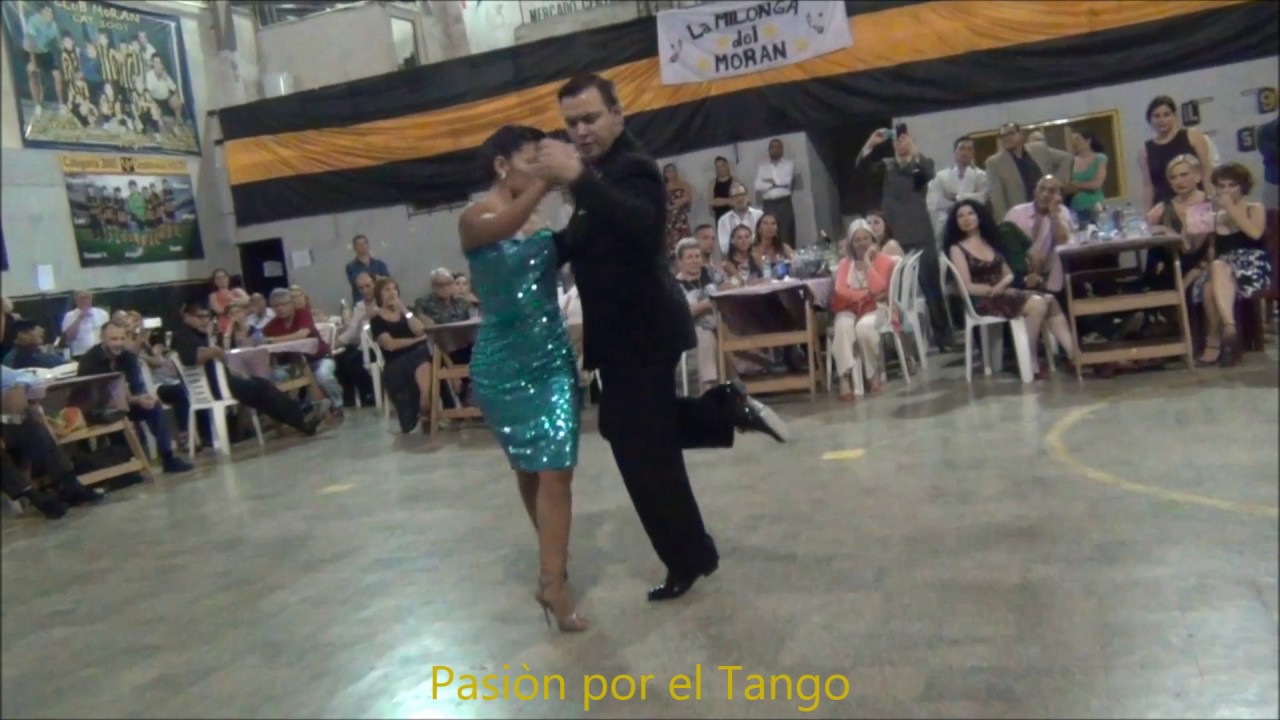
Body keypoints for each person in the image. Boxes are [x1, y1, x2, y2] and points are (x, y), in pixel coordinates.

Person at [539, 73, 788, 604]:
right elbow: (581, 239)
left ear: (618, 114)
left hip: (642, 330)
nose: (579, 131)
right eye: (571, 123)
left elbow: (639, 225)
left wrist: (577, 178)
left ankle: (689, 557)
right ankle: (725, 410)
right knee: (631, 433)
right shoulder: (601, 173)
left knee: (645, 454)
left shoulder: (632, 169)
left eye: (589, 118)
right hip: (624, 332)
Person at [458, 124, 586, 632]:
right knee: (529, 471)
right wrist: (546, 181)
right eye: (533, 158)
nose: (541, 168)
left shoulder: (538, 219)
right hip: (500, 363)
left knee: (557, 470)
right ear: (501, 164)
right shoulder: (474, 218)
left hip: (551, 358)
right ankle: (553, 564)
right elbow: (500, 226)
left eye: (544, 160)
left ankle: (551, 579)